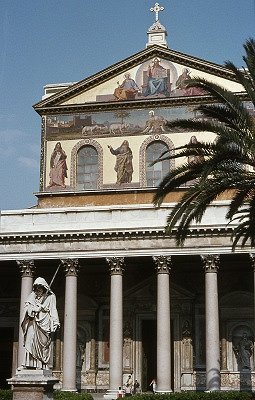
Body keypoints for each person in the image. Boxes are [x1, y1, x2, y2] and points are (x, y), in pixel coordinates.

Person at [21, 277, 60, 369]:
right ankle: (28, 364)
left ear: (44, 288)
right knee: (30, 342)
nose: (38, 289)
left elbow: (53, 309)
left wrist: (56, 321)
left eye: (40, 287)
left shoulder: (50, 297)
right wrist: (34, 309)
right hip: (33, 323)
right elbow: (26, 309)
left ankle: (41, 364)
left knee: (43, 344)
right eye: (36, 287)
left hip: (44, 323)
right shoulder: (31, 296)